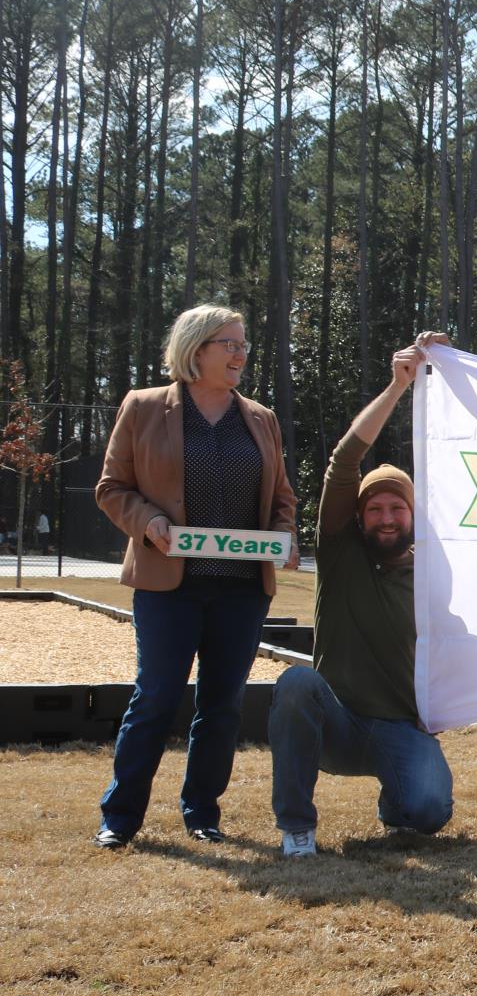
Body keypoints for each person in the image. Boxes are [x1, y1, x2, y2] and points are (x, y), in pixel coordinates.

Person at [92, 304, 298, 848]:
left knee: (223, 704)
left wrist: (283, 534)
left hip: (241, 590)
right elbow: (112, 488)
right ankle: (120, 816)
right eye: (229, 343)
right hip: (168, 586)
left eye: (244, 344)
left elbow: (281, 498)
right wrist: (148, 521)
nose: (241, 353)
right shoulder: (143, 407)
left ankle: (202, 812)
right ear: (196, 348)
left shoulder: (261, 418)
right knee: (156, 696)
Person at [268, 334, 454, 857]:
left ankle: (397, 802)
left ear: (415, 516)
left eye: (398, 508)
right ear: (359, 517)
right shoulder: (341, 554)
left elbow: (453, 647)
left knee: (427, 814)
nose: (387, 517)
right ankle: (297, 828)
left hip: (399, 725)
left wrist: (442, 709)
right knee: (297, 683)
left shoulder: (434, 571)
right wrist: (399, 386)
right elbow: (344, 461)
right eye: (375, 509)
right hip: (338, 722)